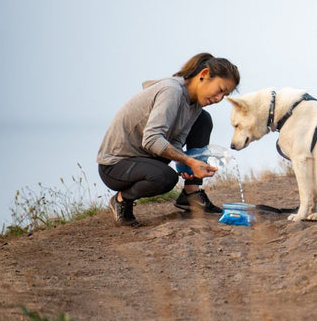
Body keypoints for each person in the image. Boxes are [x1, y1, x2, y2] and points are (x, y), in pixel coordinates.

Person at [97, 53, 241, 227]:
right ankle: (121, 200)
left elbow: (178, 141)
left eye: (224, 95)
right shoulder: (171, 91)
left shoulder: (195, 104)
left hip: (147, 157)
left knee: (203, 120)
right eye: (220, 89)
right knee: (165, 178)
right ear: (203, 75)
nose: (219, 99)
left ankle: (191, 195)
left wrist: (186, 166)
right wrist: (189, 160)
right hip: (116, 165)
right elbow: (151, 140)